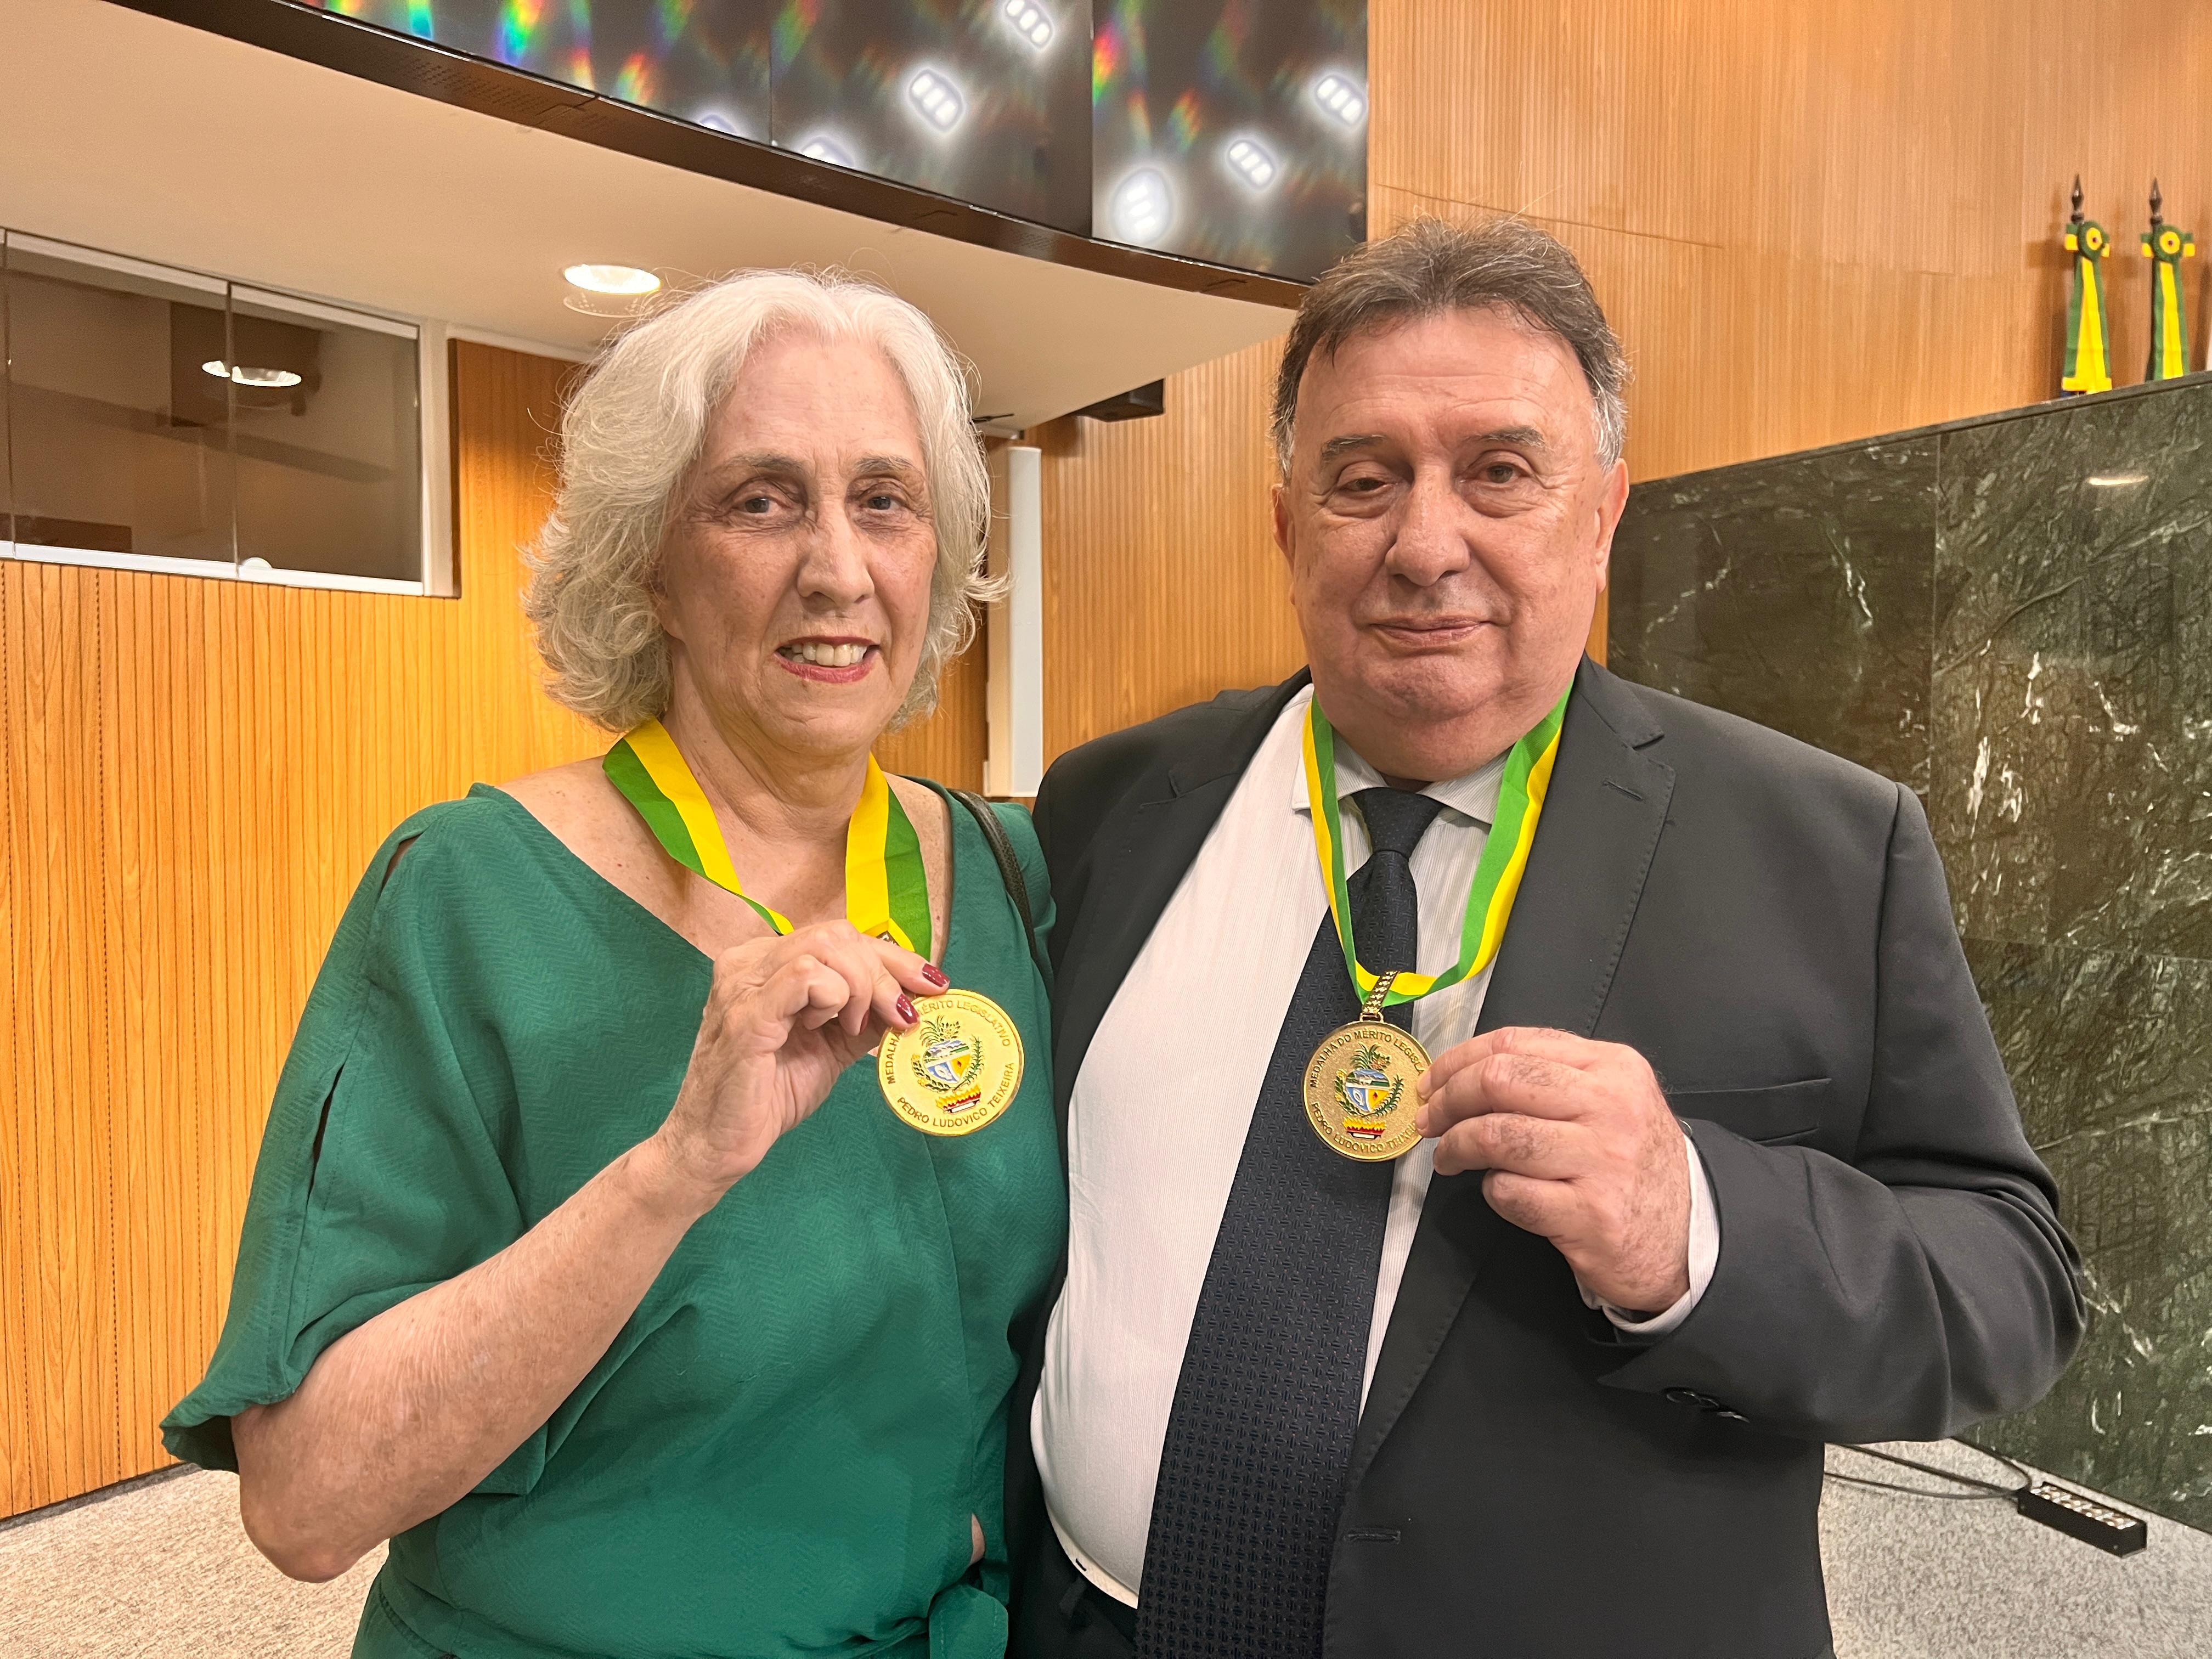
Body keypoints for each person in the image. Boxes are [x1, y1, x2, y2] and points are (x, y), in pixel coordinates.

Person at [1009, 217, 2083, 1659]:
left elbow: (2012, 1284)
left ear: (1603, 513)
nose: (1424, 543)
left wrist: (1692, 1224)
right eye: (1362, 479)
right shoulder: (1115, 803)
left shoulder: (1827, 847)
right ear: (1285, 524)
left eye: (1499, 473)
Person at [164, 269, 1065, 1659]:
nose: (837, 566)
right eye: (762, 500)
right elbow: (305, 1503)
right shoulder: (469, 892)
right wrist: (672, 1173)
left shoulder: (1010, 877)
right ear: (650, 560)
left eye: (883, 499)